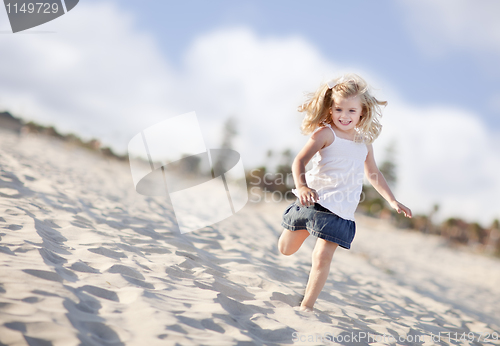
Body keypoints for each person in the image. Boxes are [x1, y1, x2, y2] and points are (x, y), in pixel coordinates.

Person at [278, 73, 411, 312]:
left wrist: (392, 200)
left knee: (322, 257)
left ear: (362, 112)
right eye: (339, 110)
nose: (344, 116)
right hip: (313, 202)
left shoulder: (364, 141)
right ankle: (305, 228)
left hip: (340, 210)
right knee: (285, 249)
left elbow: (373, 174)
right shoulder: (325, 133)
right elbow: (299, 161)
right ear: (330, 110)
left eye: (351, 111)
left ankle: (306, 307)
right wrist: (302, 187)